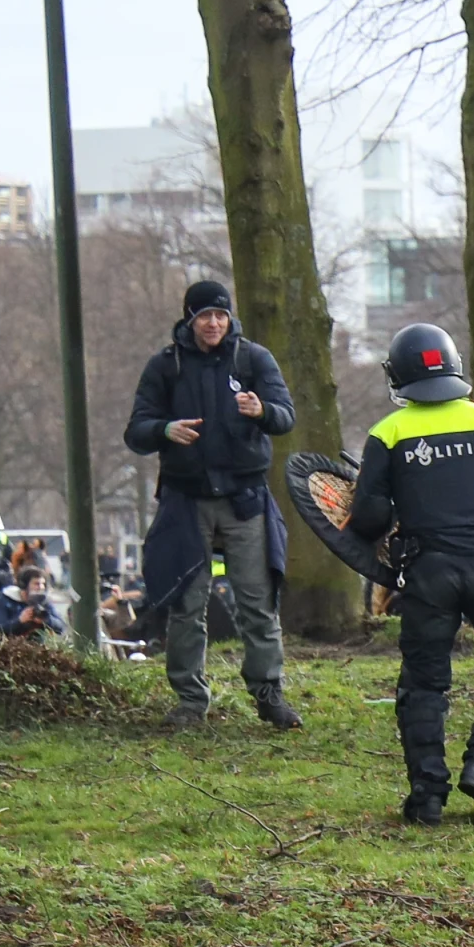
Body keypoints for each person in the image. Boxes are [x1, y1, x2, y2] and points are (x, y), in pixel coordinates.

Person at [346, 323, 474, 825]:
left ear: (399, 375)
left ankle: (427, 796)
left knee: (424, 681)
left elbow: (367, 519)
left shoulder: (387, 433)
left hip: (429, 572)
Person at [122, 279, 301, 730]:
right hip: (186, 500)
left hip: (245, 497)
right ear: (190, 319)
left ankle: (268, 693)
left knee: (257, 602)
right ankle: (189, 700)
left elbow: (285, 416)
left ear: (229, 317)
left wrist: (261, 411)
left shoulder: (254, 358)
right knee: (186, 604)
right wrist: (165, 430)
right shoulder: (165, 366)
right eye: (204, 316)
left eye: (220, 315)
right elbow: (136, 429)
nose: (213, 323)